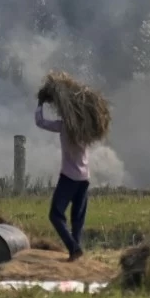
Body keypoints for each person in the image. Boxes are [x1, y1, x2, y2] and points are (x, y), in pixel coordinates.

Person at [36, 97, 89, 261]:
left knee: (55, 215)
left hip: (69, 177)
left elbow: (41, 122)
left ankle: (74, 248)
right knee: (78, 218)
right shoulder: (87, 129)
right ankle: (75, 252)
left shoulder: (64, 126)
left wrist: (40, 104)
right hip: (85, 177)